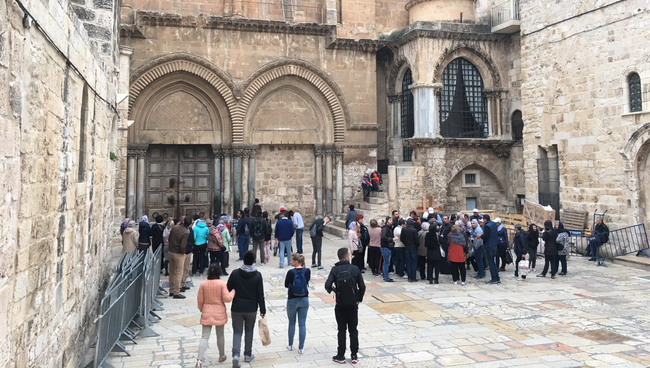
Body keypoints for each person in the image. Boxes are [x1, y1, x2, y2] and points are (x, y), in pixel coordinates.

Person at [325, 248, 366, 365]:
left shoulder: (335, 270)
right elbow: (362, 287)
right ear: (347, 257)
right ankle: (354, 354)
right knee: (353, 330)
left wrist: (334, 290)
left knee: (341, 330)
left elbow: (327, 285)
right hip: (353, 304)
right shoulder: (355, 269)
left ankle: (341, 354)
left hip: (340, 304)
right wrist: (359, 298)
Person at [227, 250, 266, 367]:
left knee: (237, 332)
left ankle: (235, 355)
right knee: (249, 331)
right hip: (251, 308)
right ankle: (248, 354)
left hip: (237, 307)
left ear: (243, 260)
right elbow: (260, 294)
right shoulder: (258, 275)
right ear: (254, 261)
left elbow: (228, 289)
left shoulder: (235, 273)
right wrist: (263, 310)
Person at [196, 263, 235, 368]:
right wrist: (233, 292)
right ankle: (222, 355)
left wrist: (201, 309)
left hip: (207, 311)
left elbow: (200, 300)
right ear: (219, 272)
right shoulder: (221, 284)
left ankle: (199, 360)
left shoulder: (203, 284)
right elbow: (227, 299)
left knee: (204, 336)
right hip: (219, 312)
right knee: (220, 335)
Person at [284, 254, 310, 354]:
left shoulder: (291, 272)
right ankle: (301, 347)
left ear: (296, 261)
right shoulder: (307, 271)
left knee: (292, 322)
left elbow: (286, 285)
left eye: (291, 260)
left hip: (292, 299)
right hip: (304, 298)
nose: (290, 262)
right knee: (302, 323)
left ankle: (290, 345)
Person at [168, 217, 191, 299]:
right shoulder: (186, 232)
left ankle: (171, 290)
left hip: (171, 251)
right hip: (179, 253)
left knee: (171, 271)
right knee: (179, 272)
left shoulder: (174, 227)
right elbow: (182, 245)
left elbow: (169, 238)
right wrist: (183, 252)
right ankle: (176, 292)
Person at [481, 215, 500, 284]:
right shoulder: (494, 224)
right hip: (494, 245)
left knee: (490, 262)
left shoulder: (487, 226)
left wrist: (480, 236)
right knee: (493, 262)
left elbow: (486, 236)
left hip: (489, 246)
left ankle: (494, 278)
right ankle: (497, 277)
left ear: (485, 219)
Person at [400, 218, 419, 282]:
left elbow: (402, 238)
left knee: (408, 263)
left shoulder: (404, 229)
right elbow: (416, 240)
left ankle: (409, 277)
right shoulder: (414, 230)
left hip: (407, 248)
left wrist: (406, 244)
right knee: (414, 263)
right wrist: (417, 245)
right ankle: (413, 277)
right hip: (413, 248)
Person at [380, 218, 395, 282]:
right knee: (386, 262)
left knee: (386, 262)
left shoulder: (389, 228)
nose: (391, 221)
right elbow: (383, 237)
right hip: (385, 247)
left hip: (387, 247)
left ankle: (385, 275)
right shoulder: (385, 228)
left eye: (392, 220)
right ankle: (386, 277)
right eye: (390, 220)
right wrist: (391, 239)